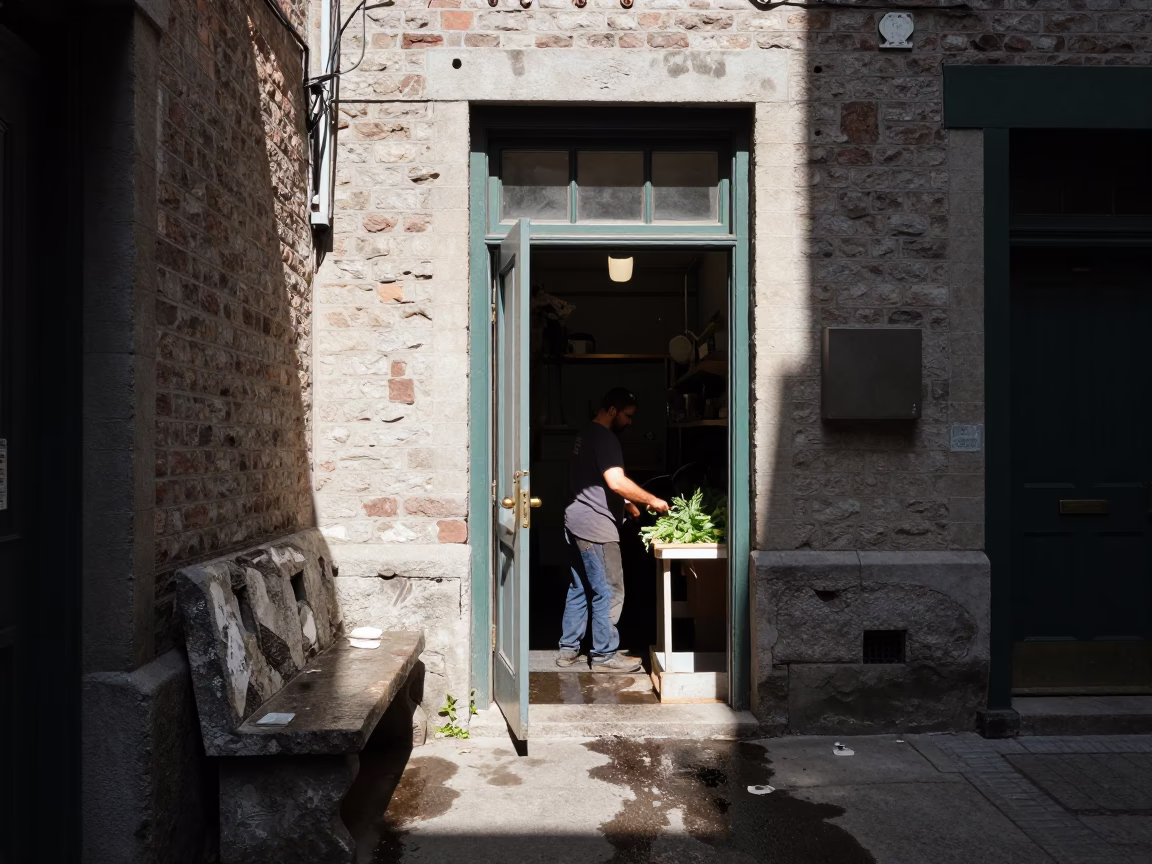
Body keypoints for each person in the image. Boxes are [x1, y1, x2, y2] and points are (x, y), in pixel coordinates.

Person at [558, 387, 670, 671]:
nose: (630, 422)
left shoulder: (585, 435)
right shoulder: (606, 438)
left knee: (579, 587)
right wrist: (650, 499)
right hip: (595, 527)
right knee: (610, 590)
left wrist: (627, 506)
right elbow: (616, 482)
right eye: (628, 416)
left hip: (575, 520)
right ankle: (605, 654)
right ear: (612, 411)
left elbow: (593, 479)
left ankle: (568, 650)